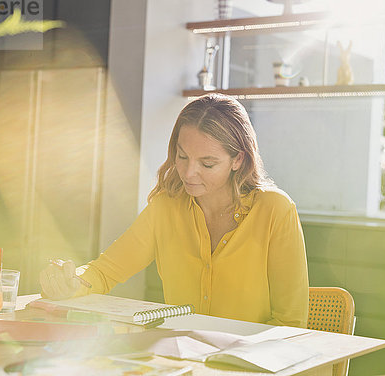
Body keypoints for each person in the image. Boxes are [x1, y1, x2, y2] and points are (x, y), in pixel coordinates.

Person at [40, 93, 309, 327]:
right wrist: (71, 282)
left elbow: (290, 322)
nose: (189, 173)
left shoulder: (275, 210)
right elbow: (104, 272)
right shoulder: (166, 208)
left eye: (208, 163)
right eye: (182, 157)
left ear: (238, 159)